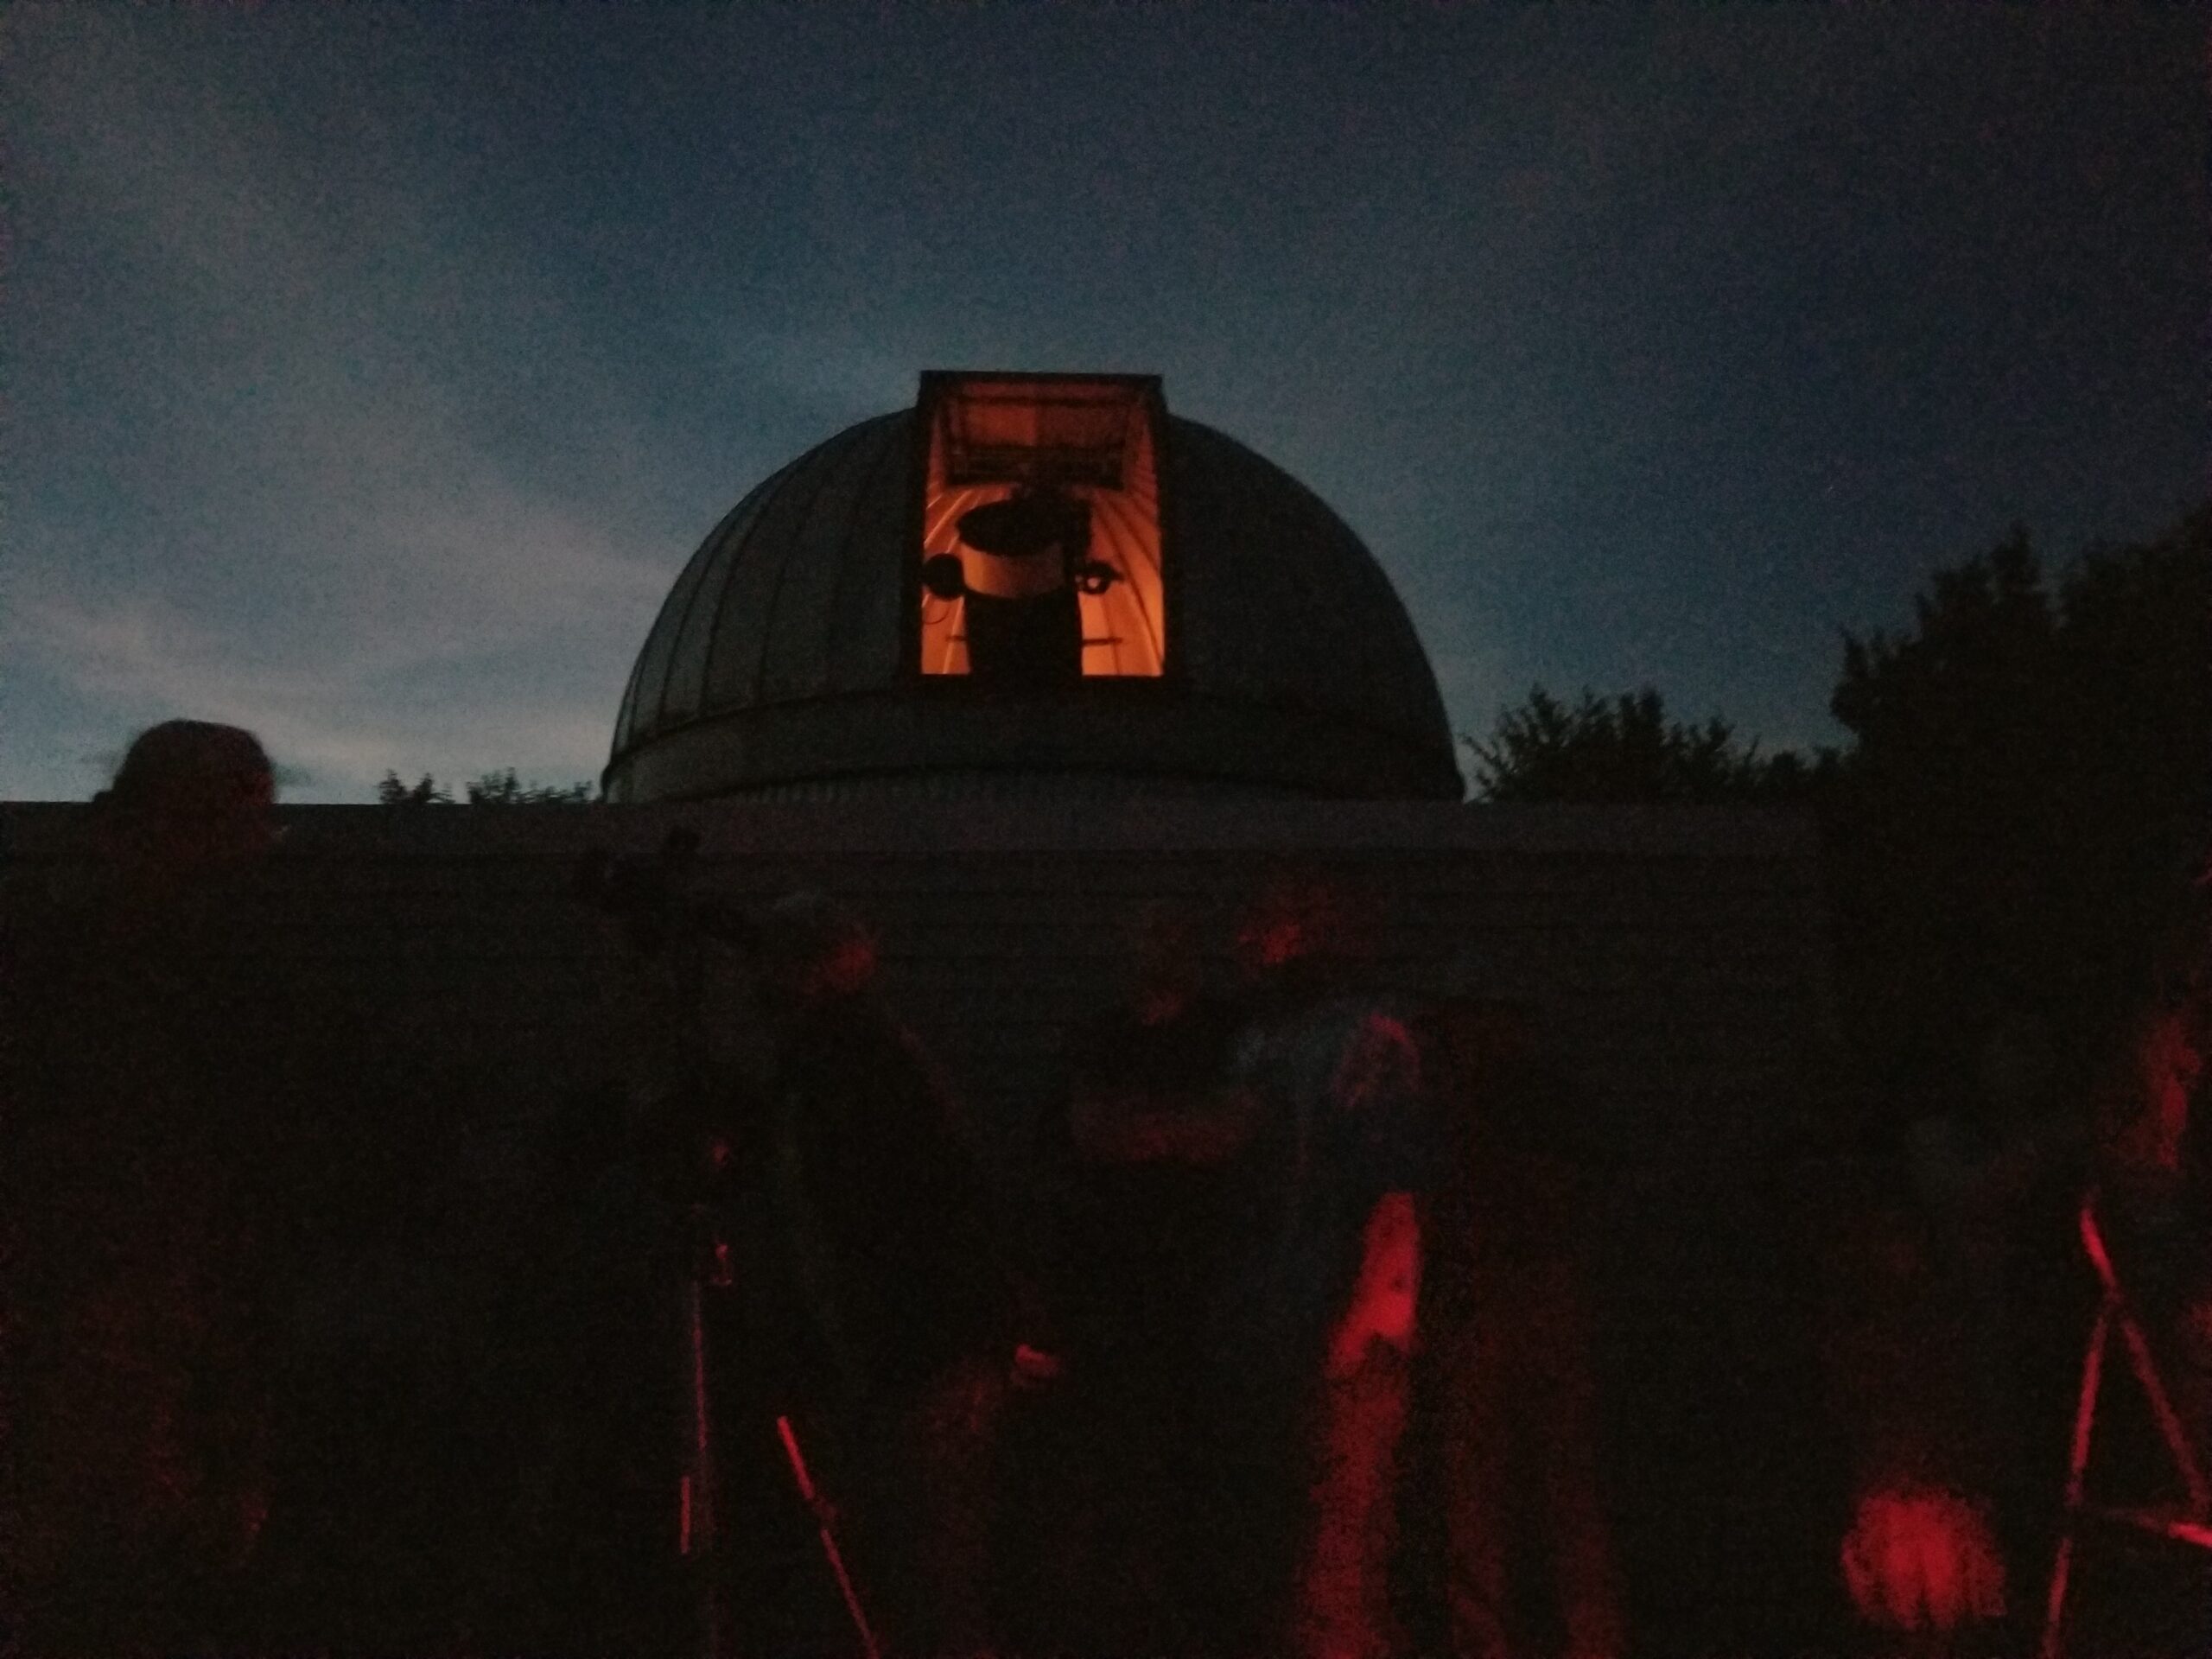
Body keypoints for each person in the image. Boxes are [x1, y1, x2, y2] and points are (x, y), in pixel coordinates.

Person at [1, 721, 291, 1654]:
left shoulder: (214, 977)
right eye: (225, 824)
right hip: (90, 1343)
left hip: (167, 1344)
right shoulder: (77, 976)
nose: (248, 851)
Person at [728, 890, 1025, 1659]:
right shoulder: (859, 1059)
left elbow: (859, 1223)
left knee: (930, 1586)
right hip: (919, 1359)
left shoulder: (843, 1072)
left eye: (775, 967)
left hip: (920, 1365)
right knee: (924, 1582)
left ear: (811, 974)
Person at [1207, 868, 1438, 1659]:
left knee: (1332, 1561)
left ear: (1314, 933)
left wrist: (1360, 1326)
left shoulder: (1366, 1041)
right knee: (1275, 1552)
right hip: (1264, 1324)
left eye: (1268, 923)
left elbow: (1394, 1199)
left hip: (1342, 1331)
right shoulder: (1253, 1046)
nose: (1246, 940)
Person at [1016, 898, 1254, 1656]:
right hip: (1108, 1292)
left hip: (1202, 1285)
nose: (1158, 951)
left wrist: (1147, 1129)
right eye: (1146, 936)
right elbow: (1089, 1135)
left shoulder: (1227, 1033)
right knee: (1102, 1463)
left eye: (1171, 936)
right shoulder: (1102, 1036)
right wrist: (1180, 1128)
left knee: (1190, 1463)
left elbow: (1234, 1134)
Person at [1411, 990, 1625, 1659]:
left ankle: (1581, 1637)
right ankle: (1521, 1639)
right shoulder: (1455, 1106)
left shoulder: (1522, 1106)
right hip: (1485, 1301)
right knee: (1488, 1490)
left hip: (1524, 1295)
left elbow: (1576, 1196)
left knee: (1538, 1486)